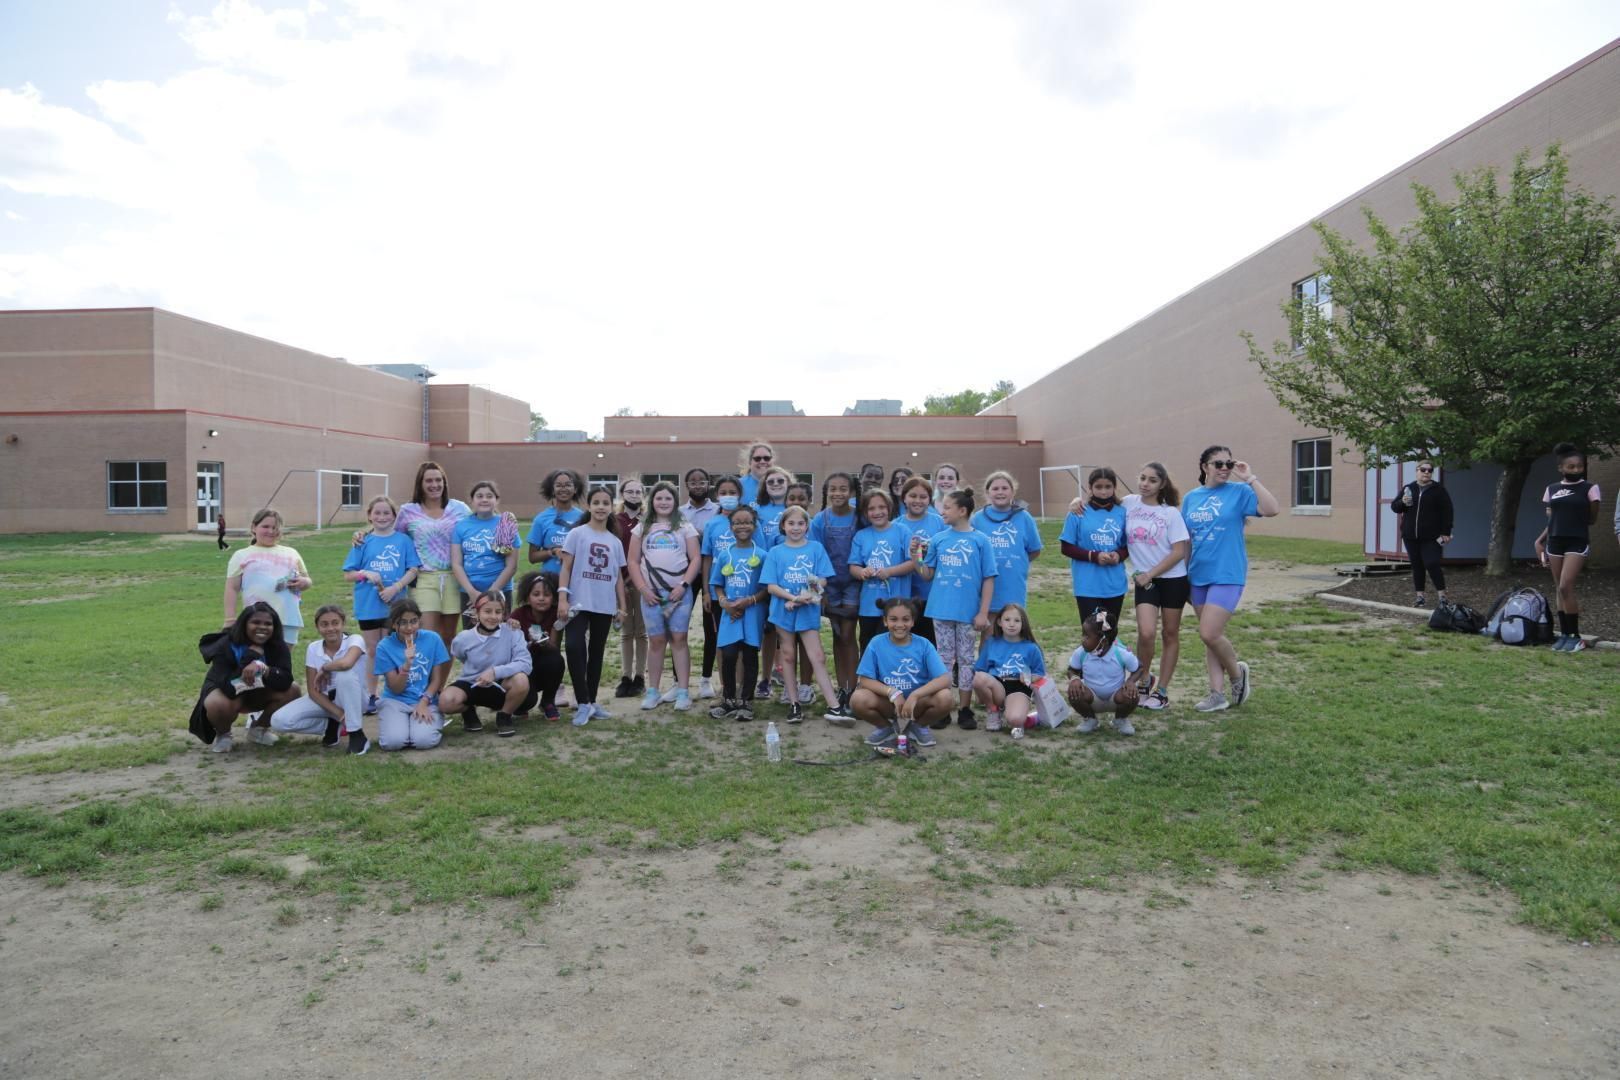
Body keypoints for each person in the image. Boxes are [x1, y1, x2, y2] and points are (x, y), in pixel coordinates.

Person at [1182, 445, 1280, 712]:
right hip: (1198, 575)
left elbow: (1272, 509)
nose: (1225, 468)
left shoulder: (1239, 492)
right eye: (1218, 464)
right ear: (1205, 467)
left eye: (1228, 463)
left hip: (1227, 573)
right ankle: (1217, 694)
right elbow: (1186, 540)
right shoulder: (1191, 498)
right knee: (1209, 638)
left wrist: (1250, 477)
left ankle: (1237, 676)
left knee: (1209, 632)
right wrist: (1184, 576)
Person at [762, 505, 854, 725]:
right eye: (791, 523)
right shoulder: (776, 552)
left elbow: (822, 579)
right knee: (788, 655)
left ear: (807, 526)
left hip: (808, 610)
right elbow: (771, 586)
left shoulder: (815, 548)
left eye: (800, 523)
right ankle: (794, 704)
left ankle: (834, 706)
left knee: (818, 656)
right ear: (783, 526)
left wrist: (806, 596)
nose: (796, 528)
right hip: (783, 611)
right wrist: (791, 598)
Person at [915, 488, 997, 729]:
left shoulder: (980, 540)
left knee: (966, 659)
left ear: (962, 511)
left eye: (947, 507)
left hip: (967, 613)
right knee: (943, 660)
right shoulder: (939, 539)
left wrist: (983, 612)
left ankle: (964, 709)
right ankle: (943, 708)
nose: (943, 511)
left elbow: (988, 578)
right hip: (941, 610)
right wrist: (917, 557)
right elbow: (927, 574)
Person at [341, 495, 421, 713]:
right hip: (368, 605)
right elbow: (348, 574)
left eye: (387, 513)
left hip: (394, 606)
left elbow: (413, 568)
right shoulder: (363, 541)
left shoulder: (403, 540)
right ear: (369, 515)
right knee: (373, 649)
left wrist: (395, 588)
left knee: (392, 647)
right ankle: (372, 694)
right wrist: (365, 573)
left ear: (394, 516)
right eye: (377, 512)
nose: (382, 517)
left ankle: (394, 691)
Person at [190, 601, 303, 754]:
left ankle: (258, 729)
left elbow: (285, 680)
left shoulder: (277, 645)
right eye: (255, 622)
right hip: (229, 694)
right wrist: (250, 657)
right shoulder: (225, 644)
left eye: (268, 624)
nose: (262, 627)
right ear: (244, 624)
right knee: (216, 703)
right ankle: (223, 735)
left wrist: (264, 669)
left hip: (259, 691)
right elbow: (228, 689)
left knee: (293, 690)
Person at [557, 486, 629, 725]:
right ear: (588, 506)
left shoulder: (614, 541)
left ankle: (592, 701)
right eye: (596, 502)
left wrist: (622, 607)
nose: (600, 507)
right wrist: (562, 598)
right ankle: (582, 701)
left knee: (596, 652)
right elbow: (565, 568)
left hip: (604, 604)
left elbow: (618, 577)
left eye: (605, 503)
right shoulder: (577, 534)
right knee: (575, 647)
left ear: (611, 507)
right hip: (578, 602)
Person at [1122, 462, 1189, 711]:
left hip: (1172, 579)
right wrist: (1077, 501)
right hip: (1145, 581)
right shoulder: (1128, 503)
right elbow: (1101, 503)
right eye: (1142, 478)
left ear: (1162, 485)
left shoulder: (1170, 513)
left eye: (1151, 480)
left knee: (1169, 633)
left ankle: (1161, 691)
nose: (1144, 484)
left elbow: (1179, 552)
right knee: (1146, 632)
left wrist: (1150, 574)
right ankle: (1143, 679)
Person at [629, 481, 701, 713]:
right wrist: (643, 589)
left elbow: (696, 559)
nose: (663, 502)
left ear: (675, 501)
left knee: (679, 639)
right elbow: (632, 561)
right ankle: (653, 691)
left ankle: (683, 691)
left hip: (678, 594)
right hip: (651, 594)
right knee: (657, 641)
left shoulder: (685, 527)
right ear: (652, 501)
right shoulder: (642, 527)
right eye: (659, 498)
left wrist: (683, 585)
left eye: (668, 498)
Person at [850, 597, 952, 750]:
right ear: (885, 621)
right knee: (858, 698)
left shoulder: (924, 645)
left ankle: (918, 727)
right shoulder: (876, 643)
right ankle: (886, 728)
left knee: (946, 697)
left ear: (912, 622)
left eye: (905, 619)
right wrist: (892, 692)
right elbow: (864, 680)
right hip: (888, 703)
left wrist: (915, 695)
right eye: (893, 619)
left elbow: (945, 679)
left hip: (917, 704)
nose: (899, 625)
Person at [268, 604, 369, 754]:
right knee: (278, 720)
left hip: (354, 700)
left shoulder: (355, 640)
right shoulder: (313, 648)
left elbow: (346, 663)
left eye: (335, 623)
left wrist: (326, 667)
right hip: (325, 700)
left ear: (343, 623)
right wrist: (340, 715)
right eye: (324, 624)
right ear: (317, 627)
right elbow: (313, 691)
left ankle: (357, 735)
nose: (330, 628)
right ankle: (331, 726)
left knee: (345, 675)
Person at [392, 461, 470, 644]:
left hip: (454, 577)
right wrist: (364, 534)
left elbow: (477, 528)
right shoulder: (408, 511)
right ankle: (427, 673)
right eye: (428, 481)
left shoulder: (460, 509)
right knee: (427, 636)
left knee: (448, 637)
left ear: (444, 482)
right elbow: (391, 538)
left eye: (438, 480)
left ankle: (440, 675)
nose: (434, 485)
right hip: (424, 579)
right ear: (420, 484)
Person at [1535, 442, 1602, 652]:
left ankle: (1576, 636)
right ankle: (1564, 636)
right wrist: (1540, 540)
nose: (1575, 470)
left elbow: (1592, 518)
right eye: (1571, 467)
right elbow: (1552, 519)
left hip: (1577, 541)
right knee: (1559, 589)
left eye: (1579, 467)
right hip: (1555, 541)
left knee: (1566, 586)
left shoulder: (1590, 488)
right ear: (1561, 468)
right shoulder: (1551, 489)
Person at [441, 590, 533, 737]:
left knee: (521, 680)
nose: (493, 616)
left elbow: (525, 663)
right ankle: (468, 710)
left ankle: (504, 716)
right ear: (477, 613)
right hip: (473, 684)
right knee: (446, 701)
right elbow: (460, 656)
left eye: (498, 612)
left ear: (504, 614)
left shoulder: (513, 632)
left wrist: (495, 672)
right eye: (487, 611)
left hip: (501, 685)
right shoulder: (463, 638)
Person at [707, 505, 768, 720]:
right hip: (730, 614)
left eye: (747, 522)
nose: (742, 526)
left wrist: (749, 601)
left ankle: (746, 701)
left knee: (750, 656)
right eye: (737, 522)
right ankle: (729, 699)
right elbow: (717, 584)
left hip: (752, 613)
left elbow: (766, 588)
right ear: (731, 526)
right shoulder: (725, 555)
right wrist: (725, 603)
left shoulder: (761, 555)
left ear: (754, 525)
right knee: (729, 655)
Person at [372, 597, 451, 750]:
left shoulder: (432, 639)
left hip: (425, 698)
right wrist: (406, 666)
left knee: (424, 741)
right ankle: (400, 724)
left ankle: (433, 720)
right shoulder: (384, 646)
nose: (409, 628)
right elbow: (395, 688)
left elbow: (436, 680)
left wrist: (423, 702)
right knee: (393, 742)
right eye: (403, 622)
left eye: (414, 621)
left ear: (419, 620)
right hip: (395, 700)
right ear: (394, 624)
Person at [810, 472, 861, 708]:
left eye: (843, 489)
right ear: (826, 492)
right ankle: (843, 688)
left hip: (853, 583)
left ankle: (854, 687)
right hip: (829, 586)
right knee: (838, 634)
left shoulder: (860, 518)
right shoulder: (820, 520)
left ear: (851, 492)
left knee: (850, 634)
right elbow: (812, 557)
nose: (838, 493)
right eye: (833, 489)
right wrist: (816, 593)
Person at [224, 508, 310, 645]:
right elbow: (232, 588)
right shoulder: (241, 555)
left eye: (275, 527)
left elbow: (307, 580)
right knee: (257, 661)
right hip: (257, 620)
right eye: (265, 526)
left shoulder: (292, 553)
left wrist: (304, 582)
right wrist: (230, 619)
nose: (271, 531)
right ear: (253, 527)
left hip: (288, 618)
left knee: (282, 663)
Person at [1060, 468, 1128, 631]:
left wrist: (1118, 555)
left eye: (1108, 486)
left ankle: (1109, 657)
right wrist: (1094, 556)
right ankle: (1091, 658)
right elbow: (1066, 547)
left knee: (1109, 631)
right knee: (1093, 632)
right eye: (1098, 487)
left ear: (1114, 487)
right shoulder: (1078, 512)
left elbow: (1128, 546)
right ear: (1090, 488)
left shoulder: (1123, 513)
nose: (1103, 491)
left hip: (1114, 584)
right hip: (1087, 585)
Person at [849, 489, 916, 654]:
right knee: (868, 645)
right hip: (869, 606)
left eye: (882, 507)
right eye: (871, 509)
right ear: (865, 512)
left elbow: (915, 563)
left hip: (898, 605)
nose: (877, 512)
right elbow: (853, 567)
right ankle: (868, 677)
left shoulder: (904, 531)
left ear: (889, 508)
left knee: (895, 646)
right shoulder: (861, 536)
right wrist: (862, 572)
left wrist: (890, 572)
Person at [699, 474, 747, 700]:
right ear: (716, 496)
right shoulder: (712, 524)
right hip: (719, 593)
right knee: (722, 639)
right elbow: (707, 558)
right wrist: (707, 591)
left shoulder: (748, 520)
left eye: (733, 493)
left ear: (740, 495)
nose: (728, 497)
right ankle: (725, 684)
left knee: (742, 640)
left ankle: (740, 683)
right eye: (723, 493)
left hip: (744, 590)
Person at [971, 470, 1043, 619]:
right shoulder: (977, 519)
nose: (1000, 492)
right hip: (987, 585)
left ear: (1013, 491)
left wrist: (1017, 561)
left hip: (1013, 584)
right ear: (987, 493)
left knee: (1013, 628)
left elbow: (1034, 550)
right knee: (989, 634)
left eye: (1005, 488)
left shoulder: (1024, 517)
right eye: (995, 489)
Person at [451, 481, 520, 623]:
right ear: (472, 501)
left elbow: (511, 566)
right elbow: (456, 564)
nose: (484, 499)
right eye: (479, 496)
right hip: (470, 593)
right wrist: (471, 592)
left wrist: (492, 593)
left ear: (497, 500)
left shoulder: (505, 524)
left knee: (499, 636)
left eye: (489, 496)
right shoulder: (461, 526)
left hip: (500, 591)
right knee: (472, 638)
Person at [971, 603, 1046, 734]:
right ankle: (993, 710)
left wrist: (1029, 677)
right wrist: (982, 694)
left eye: (1017, 620)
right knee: (978, 678)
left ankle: (1033, 717)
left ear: (1023, 624)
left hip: (1018, 687)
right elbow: (979, 670)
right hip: (997, 686)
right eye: (1007, 620)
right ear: (999, 622)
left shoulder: (1031, 647)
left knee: (1015, 720)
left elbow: (1040, 673)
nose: (1012, 624)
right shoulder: (991, 643)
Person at [1065, 611, 1141, 736]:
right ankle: (1090, 719)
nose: (1082, 639)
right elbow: (1071, 669)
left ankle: (1120, 720)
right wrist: (1074, 678)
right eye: (1083, 634)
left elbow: (1139, 668)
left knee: (1131, 694)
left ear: (1103, 642)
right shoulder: (1081, 652)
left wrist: (1131, 682)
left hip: (1116, 697)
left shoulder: (1120, 653)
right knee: (1074, 692)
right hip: (1092, 697)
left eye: (1087, 636)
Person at [681, 467, 720, 699]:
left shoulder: (718, 510)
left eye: (702, 481)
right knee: (679, 628)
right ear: (687, 485)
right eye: (693, 482)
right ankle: (678, 680)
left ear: (708, 484)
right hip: (684, 574)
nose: (697, 485)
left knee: (710, 628)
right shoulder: (678, 512)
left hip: (709, 573)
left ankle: (706, 678)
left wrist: (697, 536)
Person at [510, 571, 567, 721]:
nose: (541, 598)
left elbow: (554, 647)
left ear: (553, 598)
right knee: (528, 700)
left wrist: (544, 642)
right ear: (527, 597)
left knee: (557, 660)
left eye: (546, 595)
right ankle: (519, 704)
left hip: (543, 664)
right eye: (536, 594)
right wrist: (516, 631)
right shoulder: (518, 615)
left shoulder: (555, 615)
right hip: (522, 667)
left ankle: (548, 702)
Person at [1397, 461, 1455, 608]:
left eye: (1430, 470)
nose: (1426, 472)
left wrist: (1446, 532)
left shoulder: (1439, 490)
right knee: (1417, 566)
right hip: (1410, 536)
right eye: (1423, 470)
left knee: (1432, 563)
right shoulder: (1408, 488)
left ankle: (1442, 597)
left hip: (1431, 537)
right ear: (1417, 471)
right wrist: (1402, 502)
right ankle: (1420, 597)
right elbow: (1395, 507)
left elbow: (1447, 512)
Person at [612, 479, 649, 699]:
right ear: (623, 494)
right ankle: (625, 677)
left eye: (638, 492)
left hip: (642, 582)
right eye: (630, 491)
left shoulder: (648, 520)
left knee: (641, 631)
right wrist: (620, 581)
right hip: (620, 582)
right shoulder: (615, 521)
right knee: (626, 632)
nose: (634, 495)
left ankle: (639, 677)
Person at [899, 476, 945, 644]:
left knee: (932, 641)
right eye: (912, 496)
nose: (917, 500)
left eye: (923, 496)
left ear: (930, 499)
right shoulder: (896, 525)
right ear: (904, 497)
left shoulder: (939, 523)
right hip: (907, 595)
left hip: (934, 594)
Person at [527, 468, 585, 575]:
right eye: (558, 485)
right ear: (552, 490)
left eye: (568, 485)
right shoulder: (541, 519)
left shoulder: (583, 518)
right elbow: (532, 557)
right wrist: (552, 552)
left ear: (575, 489)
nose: (563, 489)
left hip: (577, 579)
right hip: (550, 581)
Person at [738, 440, 777, 506]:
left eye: (767, 458)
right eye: (757, 459)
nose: (762, 461)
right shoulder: (738, 485)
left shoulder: (781, 484)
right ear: (750, 462)